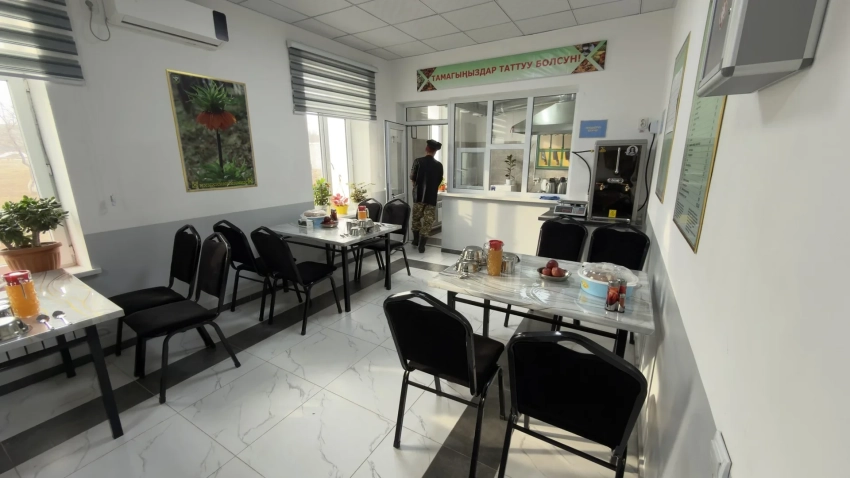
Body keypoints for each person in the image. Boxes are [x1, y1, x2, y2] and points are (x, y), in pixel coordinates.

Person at [410, 139, 444, 253]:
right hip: (431, 197)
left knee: (416, 218)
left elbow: (412, 178)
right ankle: (422, 245)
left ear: (426, 149)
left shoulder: (418, 161)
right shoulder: (439, 165)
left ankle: (415, 240)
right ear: (435, 151)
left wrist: (416, 187)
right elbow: (439, 181)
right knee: (428, 221)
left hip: (418, 196)